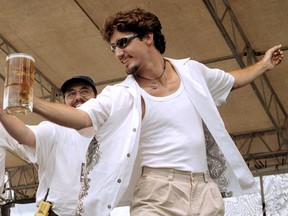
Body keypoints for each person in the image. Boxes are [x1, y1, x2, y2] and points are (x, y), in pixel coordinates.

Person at [3, 8, 284, 216]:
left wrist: (262, 65)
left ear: (148, 37)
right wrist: (30, 100)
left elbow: (230, 80)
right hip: (157, 192)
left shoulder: (192, 72)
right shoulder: (122, 94)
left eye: (123, 43)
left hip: (204, 190)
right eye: (113, 48)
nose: (118, 53)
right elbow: (82, 118)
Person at [0, 75, 98, 216]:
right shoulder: (55, 128)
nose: (78, 97)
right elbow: (26, 136)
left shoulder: (108, 134)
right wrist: (2, 114)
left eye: (85, 91)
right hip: (56, 212)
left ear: (97, 97)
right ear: (64, 102)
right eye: (71, 93)